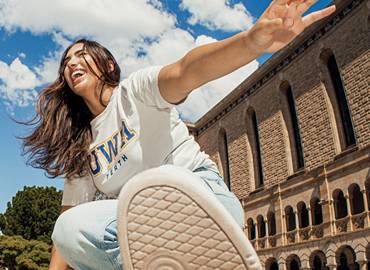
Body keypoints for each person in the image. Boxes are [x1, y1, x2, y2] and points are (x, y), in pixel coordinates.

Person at [21, 0, 335, 269]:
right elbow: (65, 236)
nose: (72, 62)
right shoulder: (81, 145)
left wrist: (251, 41)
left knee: (148, 198)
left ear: (108, 65)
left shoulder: (135, 91)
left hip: (203, 202)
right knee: (68, 228)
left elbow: (187, 70)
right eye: (66, 62)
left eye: (82, 54)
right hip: (141, 230)